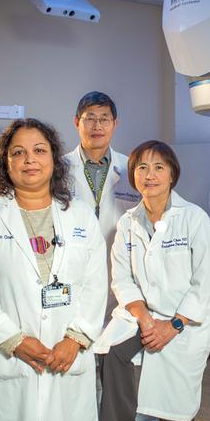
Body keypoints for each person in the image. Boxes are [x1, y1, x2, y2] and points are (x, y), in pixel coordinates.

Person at [0, 118, 107, 421]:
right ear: (6, 162)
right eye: (19, 152)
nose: (30, 159)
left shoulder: (81, 216)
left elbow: (96, 284)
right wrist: (13, 340)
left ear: (54, 158)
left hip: (68, 354)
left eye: (39, 150)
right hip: (15, 358)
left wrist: (76, 338)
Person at [98, 140, 210, 421]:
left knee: (175, 409)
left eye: (158, 167)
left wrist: (174, 324)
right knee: (112, 353)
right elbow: (122, 279)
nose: (149, 175)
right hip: (145, 317)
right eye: (142, 167)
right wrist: (143, 317)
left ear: (171, 175)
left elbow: (205, 282)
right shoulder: (127, 223)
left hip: (185, 323)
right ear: (133, 174)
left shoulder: (193, 218)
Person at [64, 91, 140, 318]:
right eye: (90, 118)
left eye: (104, 118)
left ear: (114, 124)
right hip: (73, 267)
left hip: (119, 268)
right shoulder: (58, 169)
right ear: (77, 121)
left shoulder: (132, 168)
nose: (97, 125)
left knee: (113, 338)